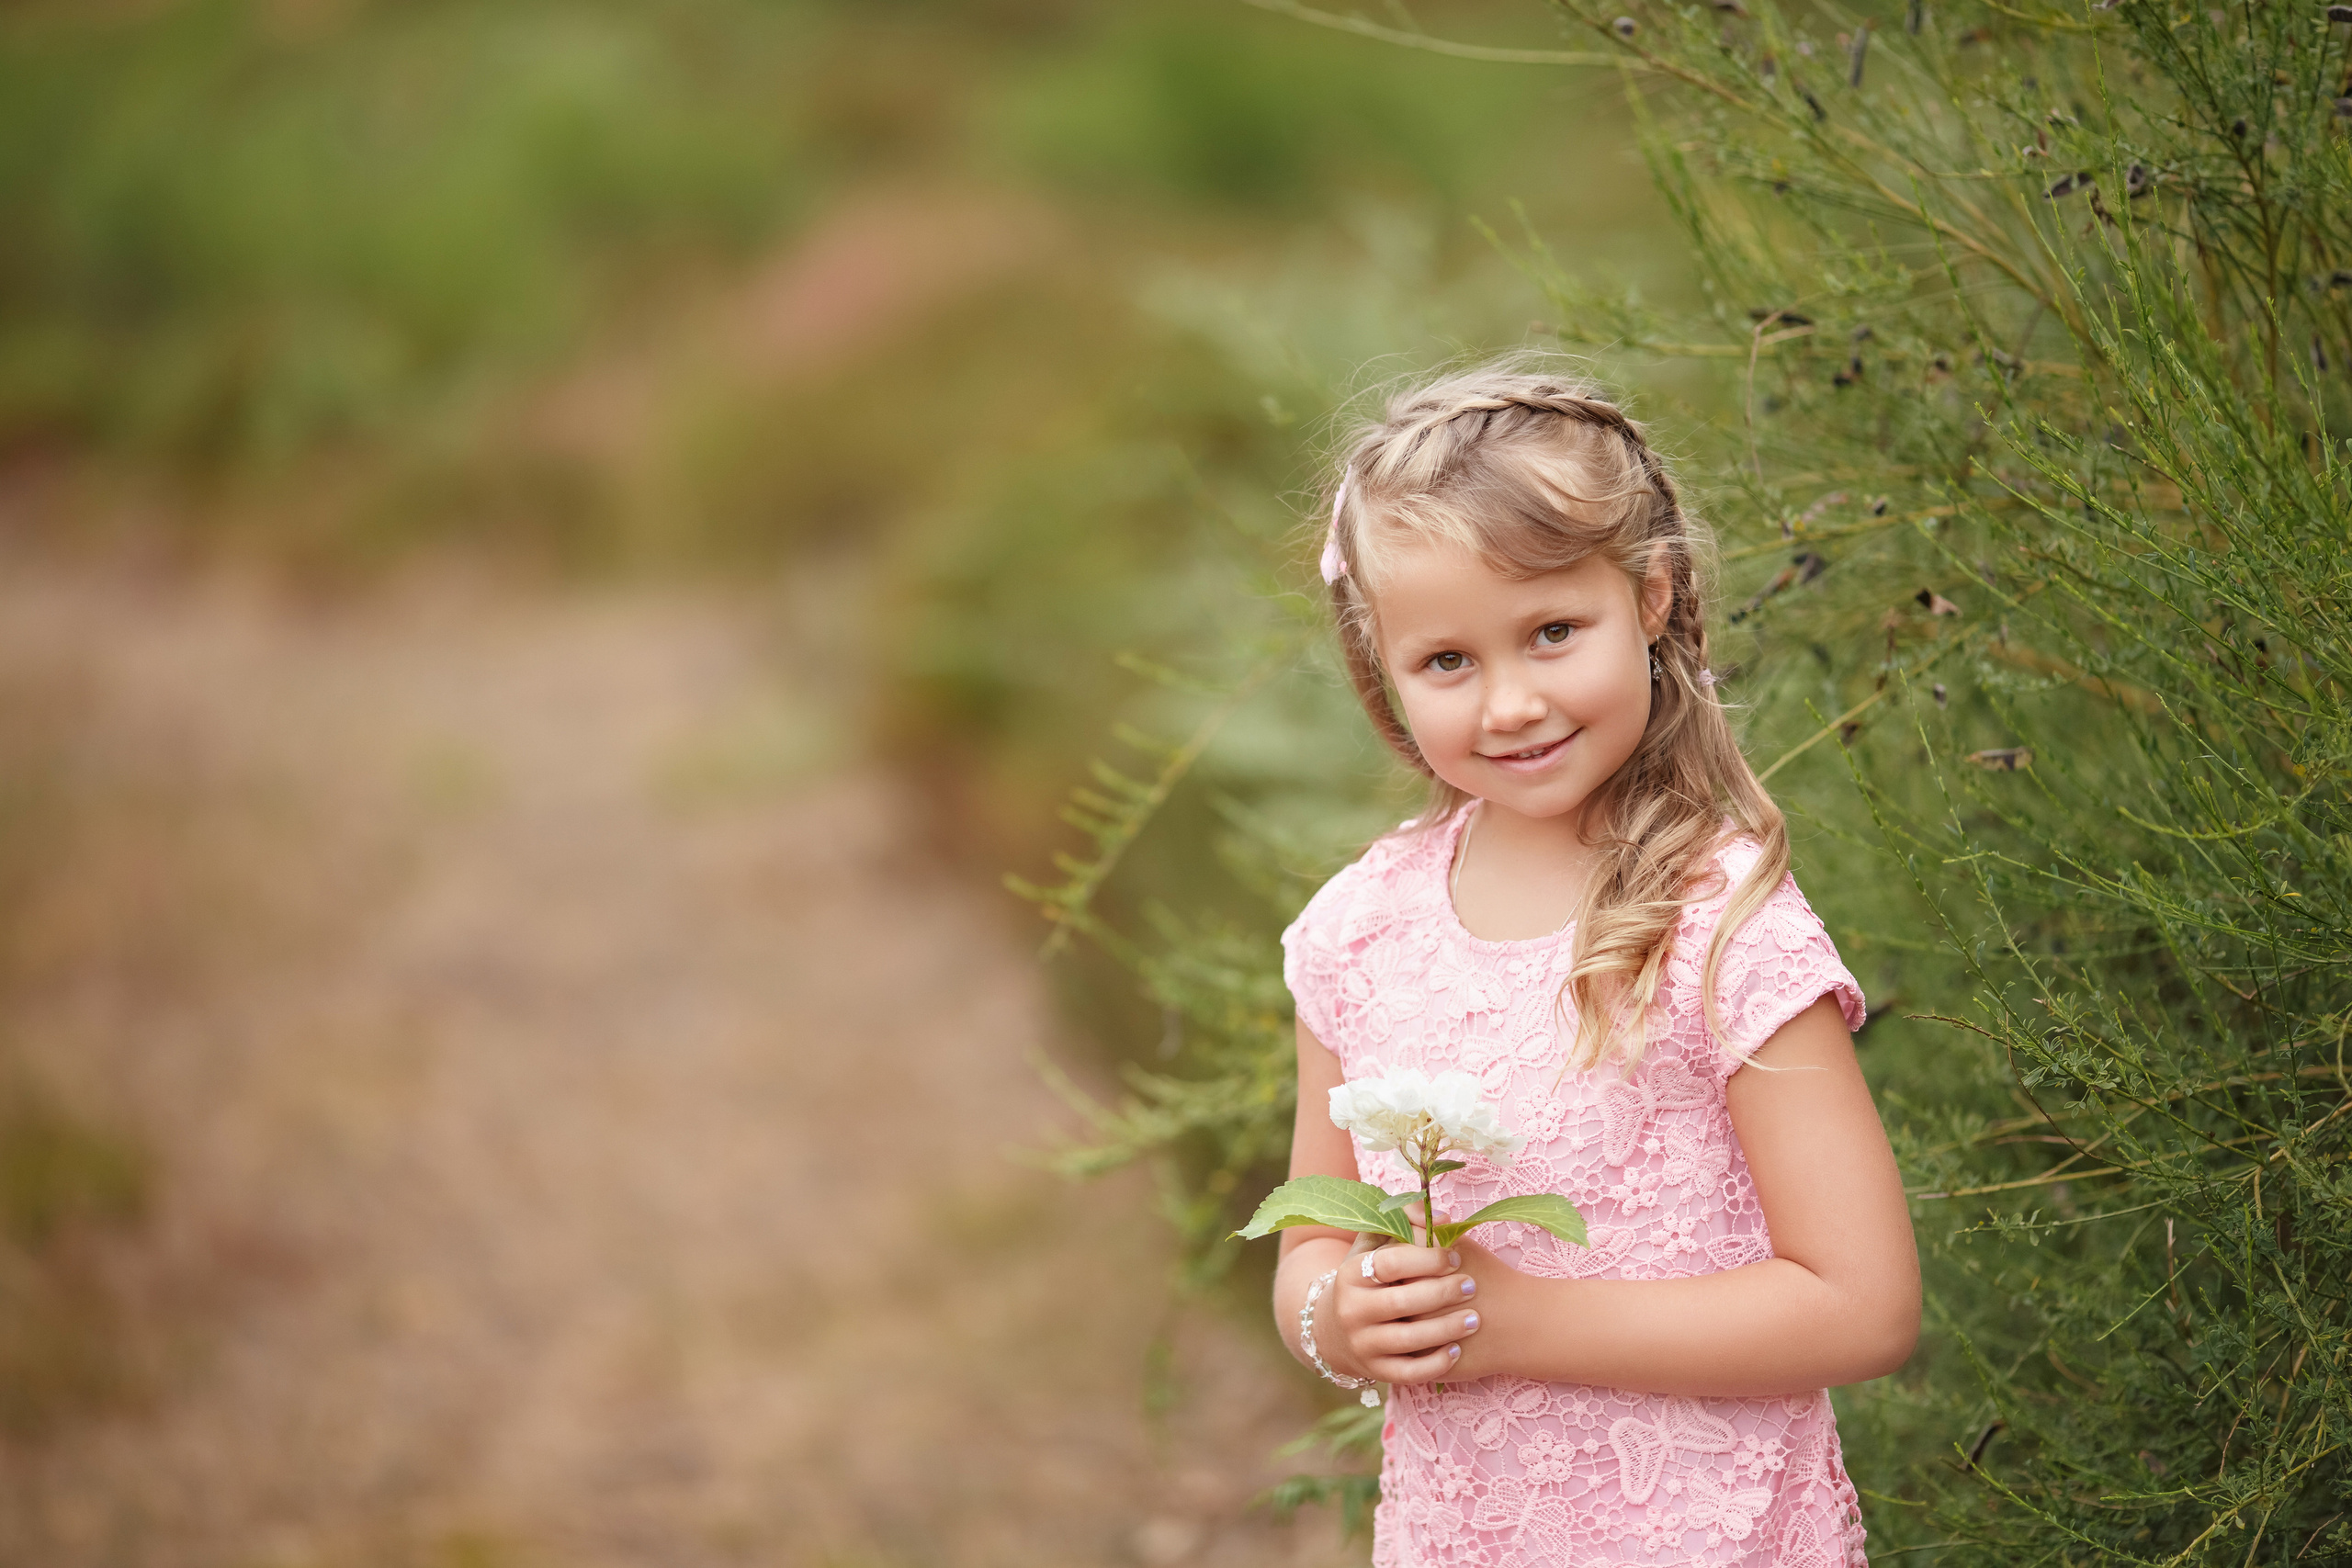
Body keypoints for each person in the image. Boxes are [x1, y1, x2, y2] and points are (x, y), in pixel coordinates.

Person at [1274, 361, 1919, 1567]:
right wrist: (1338, 1319)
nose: (1510, 702)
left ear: (1654, 595)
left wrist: (1524, 1324)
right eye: (1448, 663)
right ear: (1384, 661)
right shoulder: (1356, 932)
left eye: (1553, 633)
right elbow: (1314, 1234)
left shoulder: (1717, 921)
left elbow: (1864, 1301)